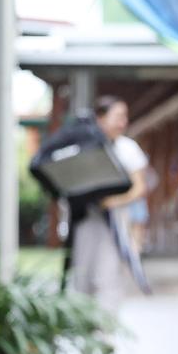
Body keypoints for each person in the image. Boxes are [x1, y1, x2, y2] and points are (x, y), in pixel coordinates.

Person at [68, 95, 147, 312]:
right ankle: (82, 325)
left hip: (116, 222)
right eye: (118, 116)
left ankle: (106, 333)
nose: (123, 122)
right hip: (85, 220)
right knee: (82, 274)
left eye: (125, 117)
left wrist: (113, 201)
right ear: (100, 118)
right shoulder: (81, 148)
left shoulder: (128, 148)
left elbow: (139, 187)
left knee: (109, 274)